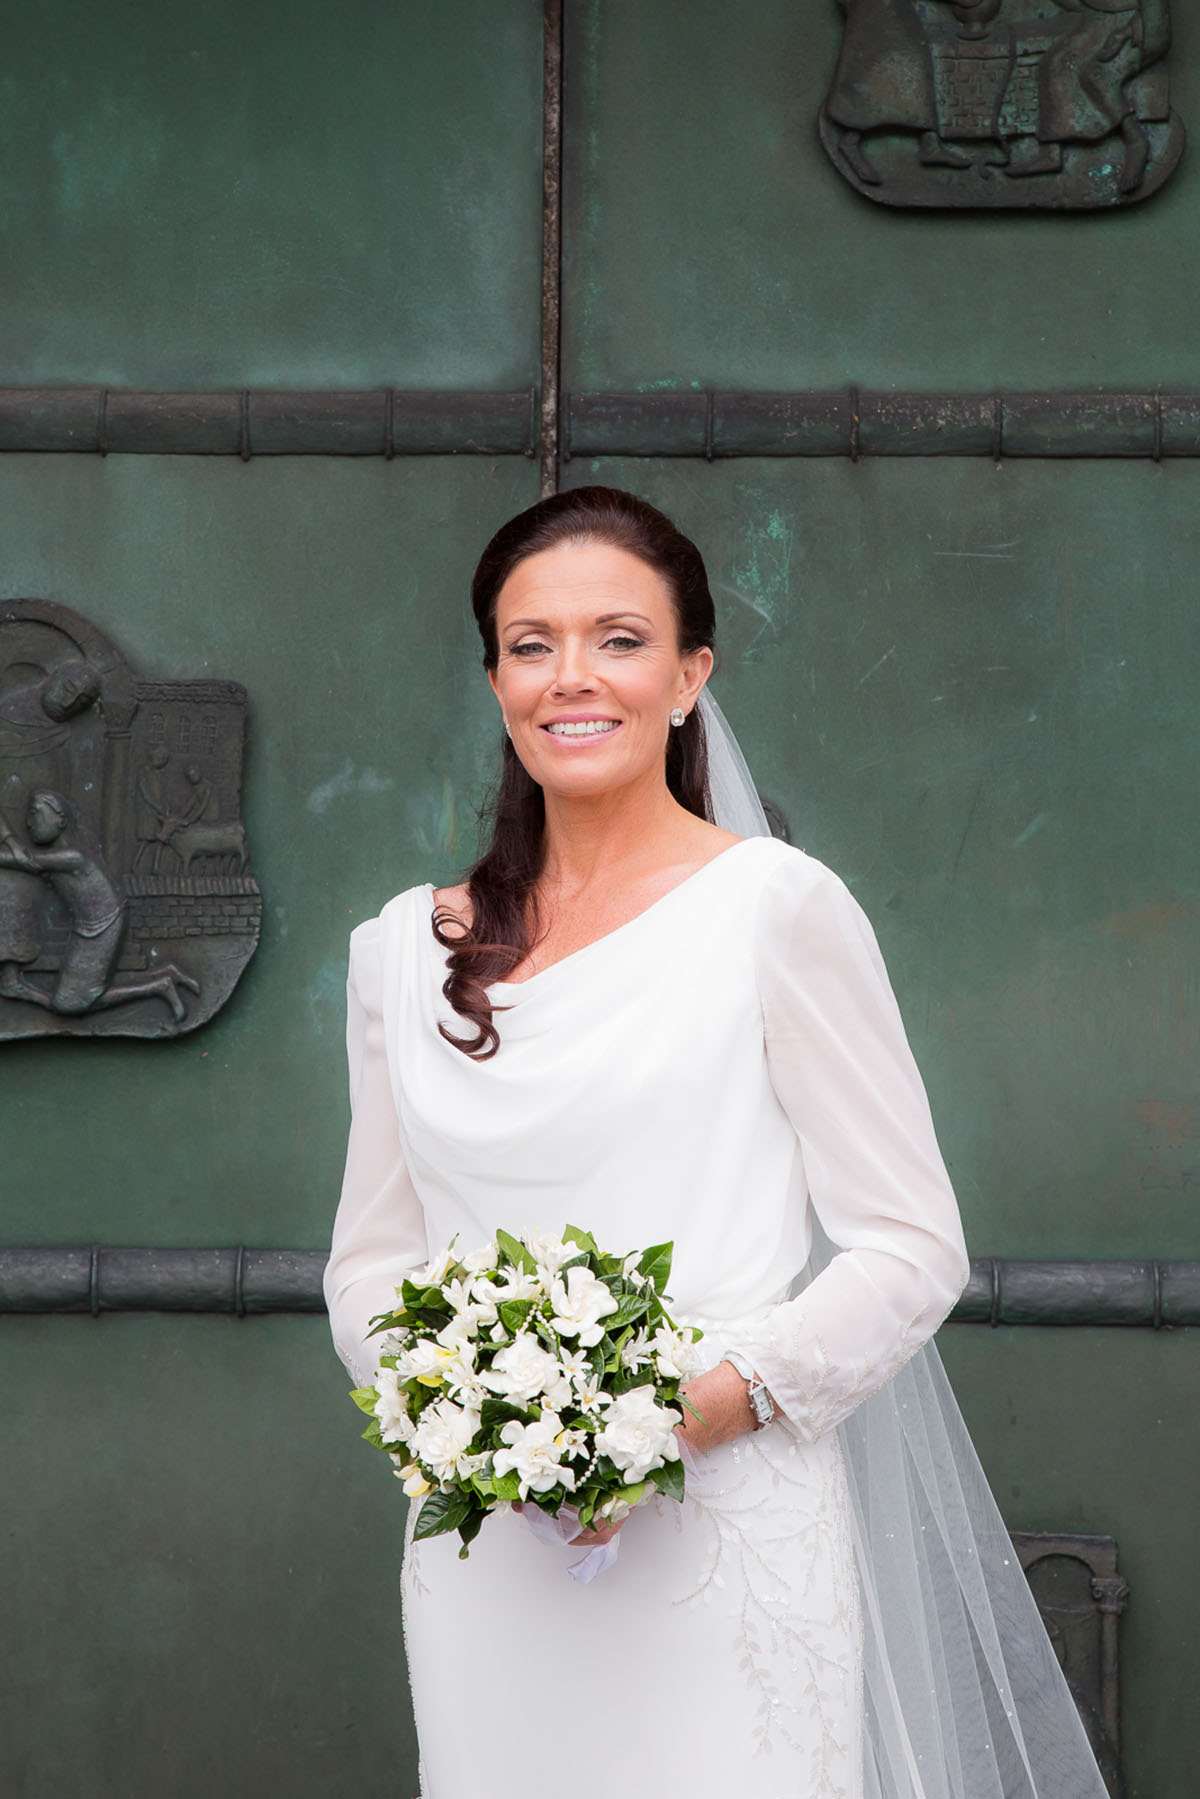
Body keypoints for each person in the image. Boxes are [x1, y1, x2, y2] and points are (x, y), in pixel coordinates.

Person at [324, 488, 1109, 1798]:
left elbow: (912, 1248)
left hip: (727, 1530)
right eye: (532, 644)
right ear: (495, 678)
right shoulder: (400, 951)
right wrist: (473, 1427)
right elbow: (369, 1260)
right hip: (487, 1557)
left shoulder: (776, 912)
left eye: (619, 639)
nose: (573, 676)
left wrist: (676, 1422)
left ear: (691, 675)